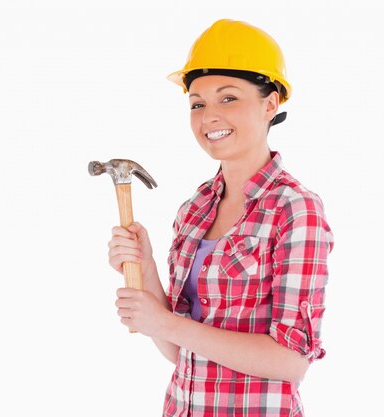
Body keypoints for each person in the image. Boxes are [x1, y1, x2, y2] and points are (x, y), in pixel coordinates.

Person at [107, 19, 333, 417]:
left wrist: (165, 323)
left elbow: (290, 362)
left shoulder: (295, 210)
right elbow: (180, 351)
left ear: (271, 103)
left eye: (228, 98)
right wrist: (145, 267)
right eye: (197, 103)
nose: (209, 116)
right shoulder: (194, 209)